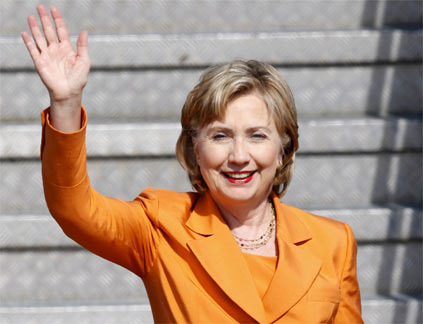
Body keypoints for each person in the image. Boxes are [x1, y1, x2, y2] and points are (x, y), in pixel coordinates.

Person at [22, 5, 364, 323]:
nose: (239, 156)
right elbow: (74, 208)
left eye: (257, 136)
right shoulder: (161, 226)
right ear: (195, 149)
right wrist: (65, 103)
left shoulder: (333, 242)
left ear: (283, 149)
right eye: (220, 136)